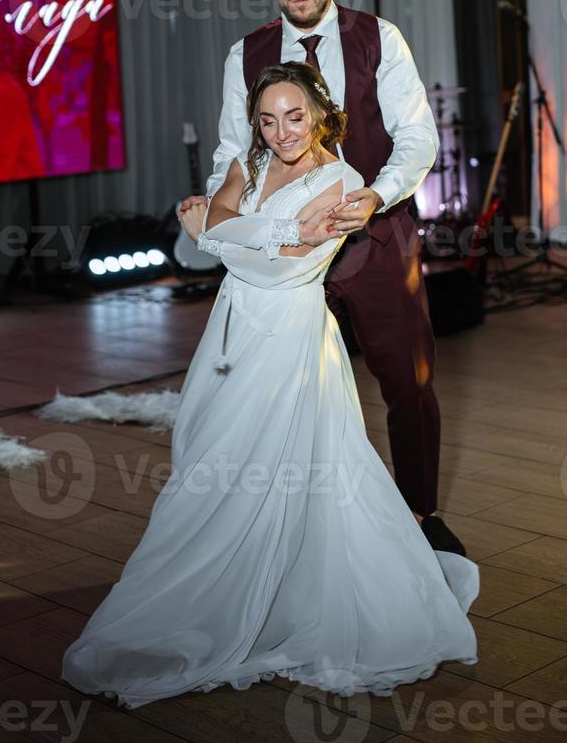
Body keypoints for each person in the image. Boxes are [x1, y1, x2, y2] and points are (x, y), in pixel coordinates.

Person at [61, 63, 478, 710]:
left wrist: (233, 232)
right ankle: (219, 582)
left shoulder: (342, 181)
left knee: (286, 464)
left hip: (290, 339)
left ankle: (292, 590)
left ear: (318, 114)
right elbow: (202, 246)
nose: (281, 130)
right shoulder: (246, 165)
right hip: (231, 336)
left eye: (293, 115)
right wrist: (243, 232)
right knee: (213, 456)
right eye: (267, 118)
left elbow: (279, 266)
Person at [181, 0, 462, 555]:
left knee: (408, 379)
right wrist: (224, 214)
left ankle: (423, 516)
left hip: (377, 241)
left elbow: (417, 138)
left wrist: (373, 199)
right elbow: (235, 149)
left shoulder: (379, 38)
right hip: (288, 255)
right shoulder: (244, 54)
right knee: (288, 388)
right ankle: (298, 531)